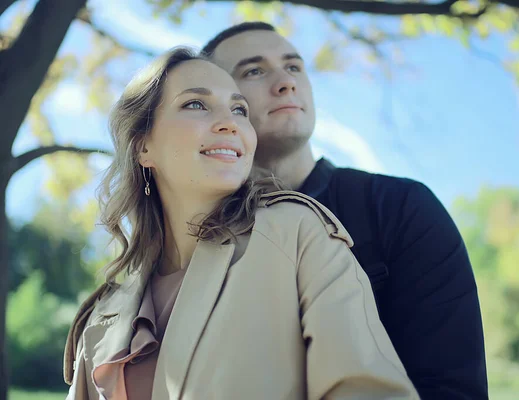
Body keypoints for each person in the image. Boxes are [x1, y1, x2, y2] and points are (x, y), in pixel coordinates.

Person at [63, 46, 420, 400]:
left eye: (239, 109)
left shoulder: (297, 233)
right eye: (196, 104)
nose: (230, 123)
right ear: (143, 146)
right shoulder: (103, 313)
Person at [202, 22, 488, 400]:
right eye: (254, 71)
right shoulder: (199, 243)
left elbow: (454, 388)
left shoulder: (400, 206)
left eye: (294, 67)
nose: (286, 82)